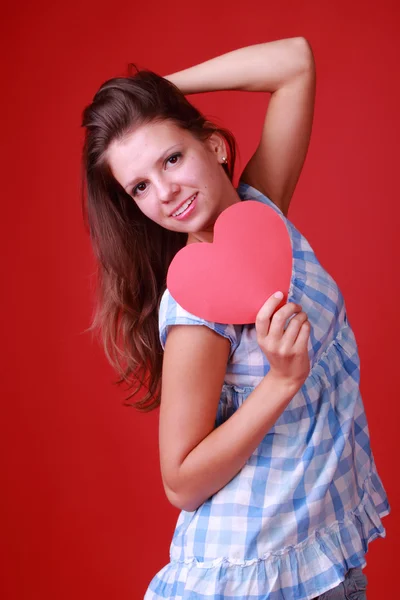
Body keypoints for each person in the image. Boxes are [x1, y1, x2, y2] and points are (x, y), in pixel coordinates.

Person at [81, 37, 389, 600]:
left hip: (318, 563)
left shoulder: (260, 210)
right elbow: (181, 482)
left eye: (172, 158)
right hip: (253, 576)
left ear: (215, 146)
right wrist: (281, 381)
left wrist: (158, 90)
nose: (166, 192)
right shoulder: (196, 305)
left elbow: (294, 62)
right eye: (141, 187)